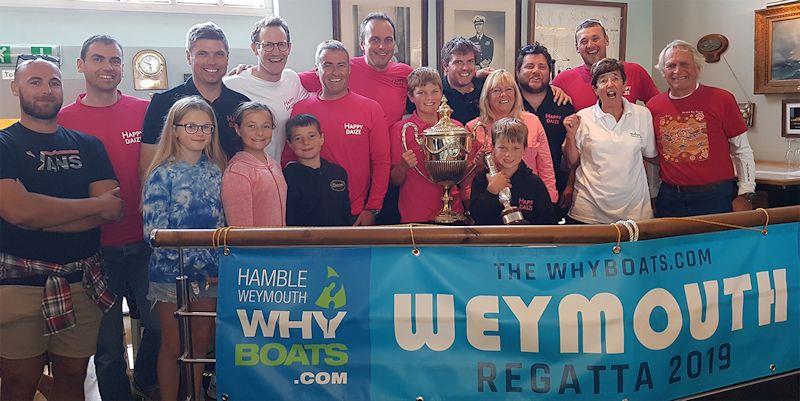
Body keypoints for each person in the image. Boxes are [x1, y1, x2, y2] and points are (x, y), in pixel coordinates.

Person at [0, 56, 121, 401]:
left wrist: (40, 215)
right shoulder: (4, 145)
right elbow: (17, 211)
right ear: (16, 87)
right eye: (34, 81)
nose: (46, 89)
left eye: (53, 82)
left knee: (73, 378)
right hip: (18, 286)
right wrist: (92, 206)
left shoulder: (89, 145)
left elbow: (111, 209)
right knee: (18, 382)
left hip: (82, 283)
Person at [56, 34, 158, 401]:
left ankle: (147, 384)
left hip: (147, 242)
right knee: (109, 345)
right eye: (98, 59)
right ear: (81, 65)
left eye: (115, 60)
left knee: (160, 327)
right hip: (95, 251)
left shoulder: (144, 110)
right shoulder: (64, 120)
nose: (108, 67)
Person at [142, 96, 226, 401]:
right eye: (191, 125)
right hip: (171, 274)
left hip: (210, 274)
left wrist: (214, 265)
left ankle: (195, 396)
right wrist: (190, 262)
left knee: (201, 342)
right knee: (173, 344)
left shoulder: (216, 171)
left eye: (206, 126)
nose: (199, 132)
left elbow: (222, 224)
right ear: (175, 130)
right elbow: (153, 232)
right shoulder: (162, 174)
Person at [283, 40, 390, 226]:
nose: (335, 72)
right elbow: (289, 159)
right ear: (317, 70)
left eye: (341, 65)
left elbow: (382, 162)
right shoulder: (301, 108)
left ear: (349, 69)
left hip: (357, 214)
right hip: (309, 213)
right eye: (327, 65)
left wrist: (373, 208)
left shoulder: (371, 109)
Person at [647, 40, 756, 217]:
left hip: (716, 196)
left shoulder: (722, 99)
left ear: (697, 69)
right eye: (670, 66)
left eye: (684, 64)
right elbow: (654, 157)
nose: (677, 71)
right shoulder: (653, 107)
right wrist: (652, 195)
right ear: (663, 72)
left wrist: (746, 193)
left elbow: (742, 150)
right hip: (670, 198)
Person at [140, 21, 249, 174]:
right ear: (188, 57)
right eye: (202, 54)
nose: (212, 61)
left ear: (227, 57)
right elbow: (148, 166)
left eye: (219, 54)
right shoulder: (164, 103)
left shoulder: (242, 104)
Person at [563, 58, 658, 224]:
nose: (610, 84)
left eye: (615, 78)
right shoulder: (582, 117)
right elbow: (571, 162)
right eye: (603, 80)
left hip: (635, 212)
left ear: (624, 84)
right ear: (595, 89)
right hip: (588, 212)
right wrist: (570, 135)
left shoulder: (642, 114)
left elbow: (651, 155)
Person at [222, 16, 309, 162]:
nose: (276, 52)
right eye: (268, 45)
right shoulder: (233, 84)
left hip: (277, 173)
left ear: (289, 48)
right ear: (255, 48)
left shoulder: (292, 79)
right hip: (245, 175)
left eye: (281, 44)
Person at [466, 69, 558, 203]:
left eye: (509, 89)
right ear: (487, 96)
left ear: (515, 94)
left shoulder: (532, 121)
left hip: (530, 199)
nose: (503, 95)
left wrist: (550, 201)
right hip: (488, 200)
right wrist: (469, 202)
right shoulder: (473, 127)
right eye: (496, 90)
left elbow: (546, 167)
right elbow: (466, 176)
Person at [390, 67, 466, 223]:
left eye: (435, 91)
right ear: (411, 97)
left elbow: (464, 175)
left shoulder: (456, 127)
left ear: (442, 93)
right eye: (421, 93)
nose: (429, 98)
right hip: (416, 214)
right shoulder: (401, 130)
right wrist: (403, 166)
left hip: (455, 212)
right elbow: (394, 180)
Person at [516, 43, 577, 220]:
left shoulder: (563, 104)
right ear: (518, 71)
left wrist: (570, 184)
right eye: (529, 66)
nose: (536, 71)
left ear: (550, 72)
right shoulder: (509, 103)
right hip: (515, 189)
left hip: (556, 187)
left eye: (542, 67)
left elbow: (573, 149)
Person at [552, 19, 659, 111]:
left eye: (595, 39)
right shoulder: (563, 80)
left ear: (606, 40)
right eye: (584, 41)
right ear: (577, 47)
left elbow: (658, 107)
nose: (590, 45)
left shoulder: (634, 71)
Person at [470, 117, 555, 225]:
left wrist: (524, 227)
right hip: (491, 240)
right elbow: (476, 218)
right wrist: (490, 192)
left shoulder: (534, 184)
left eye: (516, 148)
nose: (508, 154)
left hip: (525, 241)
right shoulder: (481, 179)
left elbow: (547, 221)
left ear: (524, 149)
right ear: (493, 148)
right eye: (502, 148)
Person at [222, 101, 287, 226]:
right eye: (251, 126)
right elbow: (240, 230)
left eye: (266, 126)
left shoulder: (274, 165)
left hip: (279, 243)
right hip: (256, 245)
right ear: (238, 129)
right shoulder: (237, 172)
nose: (260, 133)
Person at [284, 114, 352, 226]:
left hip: (338, 240)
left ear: (322, 138)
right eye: (298, 138)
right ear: (290, 144)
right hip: (302, 240)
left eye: (311, 136)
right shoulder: (287, 176)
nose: (306, 142)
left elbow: (345, 213)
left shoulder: (338, 173)